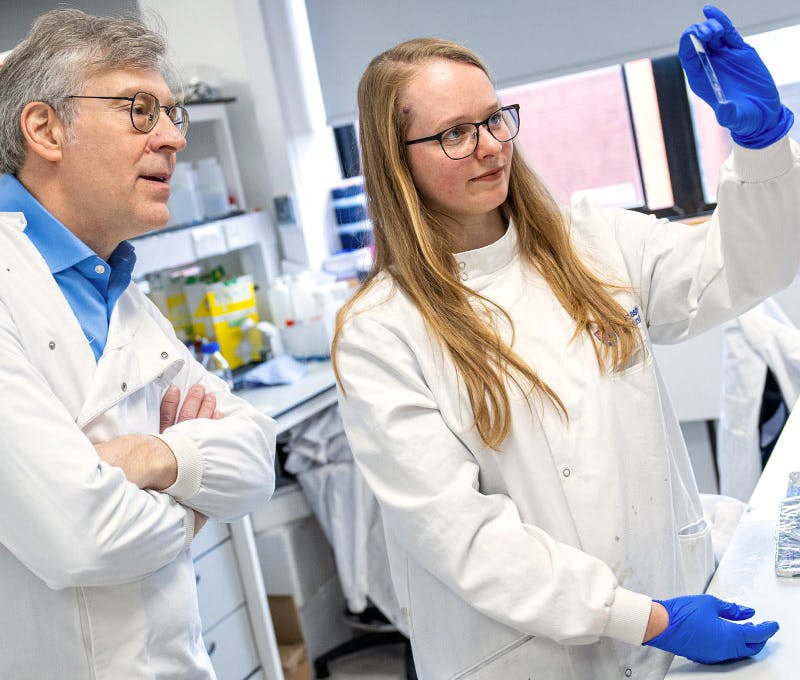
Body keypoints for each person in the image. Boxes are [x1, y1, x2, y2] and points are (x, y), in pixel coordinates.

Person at [332, 5, 798, 679]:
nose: (491, 145)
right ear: (395, 161)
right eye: (456, 133)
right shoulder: (381, 331)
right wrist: (652, 619)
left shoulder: (593, 243)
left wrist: (762, 148)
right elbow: (464, 537)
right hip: (531, 659)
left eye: (494, 119)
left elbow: (749, 266)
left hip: (664, 633)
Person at [0, 9, 276, 679]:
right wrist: (195, 498)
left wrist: (152, 455)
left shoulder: (119, 290)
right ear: (44, 129)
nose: (174, 139)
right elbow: (82, 539)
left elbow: (255, 456)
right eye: (140, 110)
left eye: (172, 114)